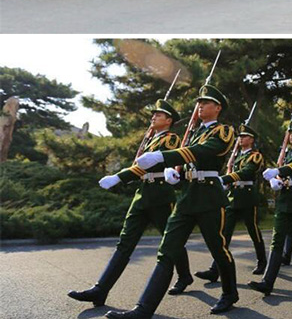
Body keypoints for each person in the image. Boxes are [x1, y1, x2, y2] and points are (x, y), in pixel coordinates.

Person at [106, 85, 238, 318]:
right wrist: (175, 175)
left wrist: (161, 157)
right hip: (186, 197)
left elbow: (201, 152)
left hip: (209, 197)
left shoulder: (224, 131)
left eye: (205, 102)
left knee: (218, 249)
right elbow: (189, 159)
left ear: (217, 108)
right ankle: (143, 310)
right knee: (166, 251)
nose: (199, 106)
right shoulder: (195, 132)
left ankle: (230, 293)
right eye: (198, 102)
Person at [68, 100, 193, 308]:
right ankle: (100, 290)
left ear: (168, 120)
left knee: (171, 241)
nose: (153, 117)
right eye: (153, 114)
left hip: (161, 196)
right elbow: (139, 167)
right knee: (125, 243)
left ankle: (185, 275)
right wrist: (122, 175)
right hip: (142, 195)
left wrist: (119, 177)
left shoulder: (171, 139)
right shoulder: (151, 140)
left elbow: (150, 164)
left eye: (158, 115)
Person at [249, 119, 292, 296]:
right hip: (285, 200)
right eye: (290, 132)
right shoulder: (286, 154)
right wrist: (276, 181)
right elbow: (283, 173)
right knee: (277, 239)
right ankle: (267, 282)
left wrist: (278, 171)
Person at [194, 123, 267, 283]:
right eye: (239, 136)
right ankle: (215, 270)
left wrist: (225, 178)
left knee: (253, 231)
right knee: (224, 234)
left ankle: (262, 261)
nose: (241, 139)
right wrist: (227, 182)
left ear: (252, 139)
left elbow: (247, 172)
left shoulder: (255, 156)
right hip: (233, 197)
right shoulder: (236, 157)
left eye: (244, 136)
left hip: (247, 197)